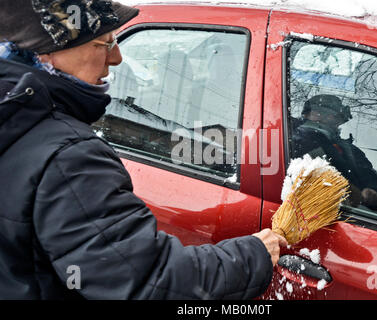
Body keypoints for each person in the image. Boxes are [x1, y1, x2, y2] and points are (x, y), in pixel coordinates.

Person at [0, 0, 286, 299]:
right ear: (47, 54)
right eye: (104, 43)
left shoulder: (17, 125)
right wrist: (254, 256)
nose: (117, 58)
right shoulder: (69, 157)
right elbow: (148, 281)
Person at [290, 94, 377, 211]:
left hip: (346, 216)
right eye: (315, 113)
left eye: (337, 118)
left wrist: (374, 195)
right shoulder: (292, 139)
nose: (336, 122)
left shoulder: (350, 151)